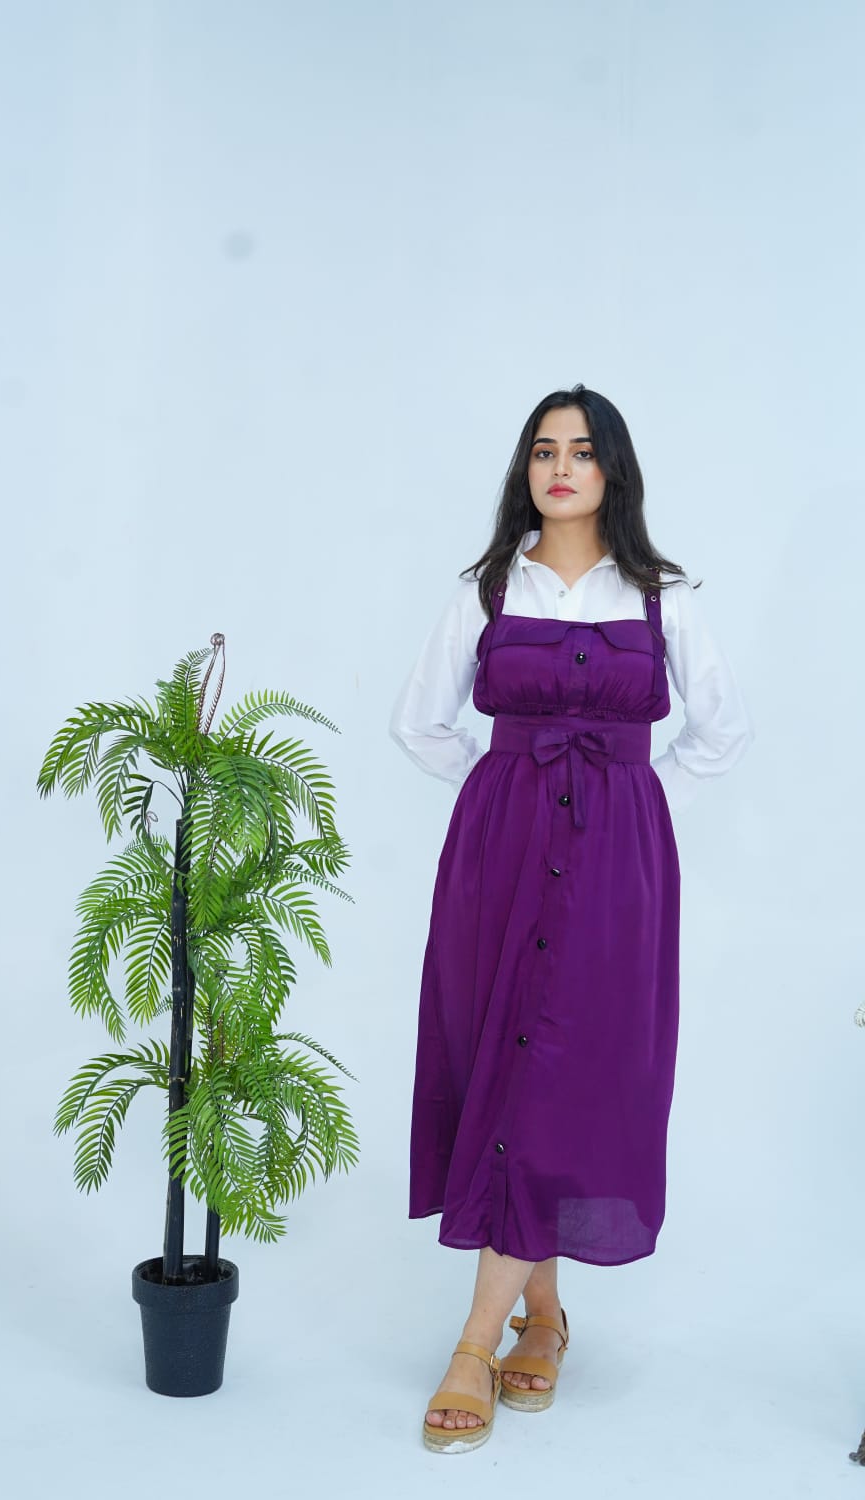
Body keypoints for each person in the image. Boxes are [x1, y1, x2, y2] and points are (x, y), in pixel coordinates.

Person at [389, 385, 753, 1454]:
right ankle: (539, 1319)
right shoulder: (487, 589)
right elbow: (416, 724)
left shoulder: (661, 596)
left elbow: (722, 732)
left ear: (612, 471)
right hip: (499, 857)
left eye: (582, 451)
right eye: (544, 450)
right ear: (526, 469)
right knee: (502, 1062)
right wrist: (502, 790)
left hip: (615, 870)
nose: (560, 467)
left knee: (567, 1070)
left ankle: (476, 1342)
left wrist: (630, 802)